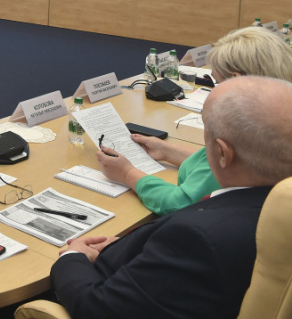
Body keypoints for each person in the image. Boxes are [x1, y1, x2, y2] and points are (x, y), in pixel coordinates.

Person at [53, 76, 292, 318]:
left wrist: (74, 258)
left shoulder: (195, 239)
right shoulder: (273, 208)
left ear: (222, 153)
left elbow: (98, 309)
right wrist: (131, 247)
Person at [95, 26, 292, 215]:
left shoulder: (242, 129)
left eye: (217, 82)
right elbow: (212, 163)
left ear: (237, 81)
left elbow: (179, 203)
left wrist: (128, 173)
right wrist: (167, 151)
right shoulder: (279, 119)